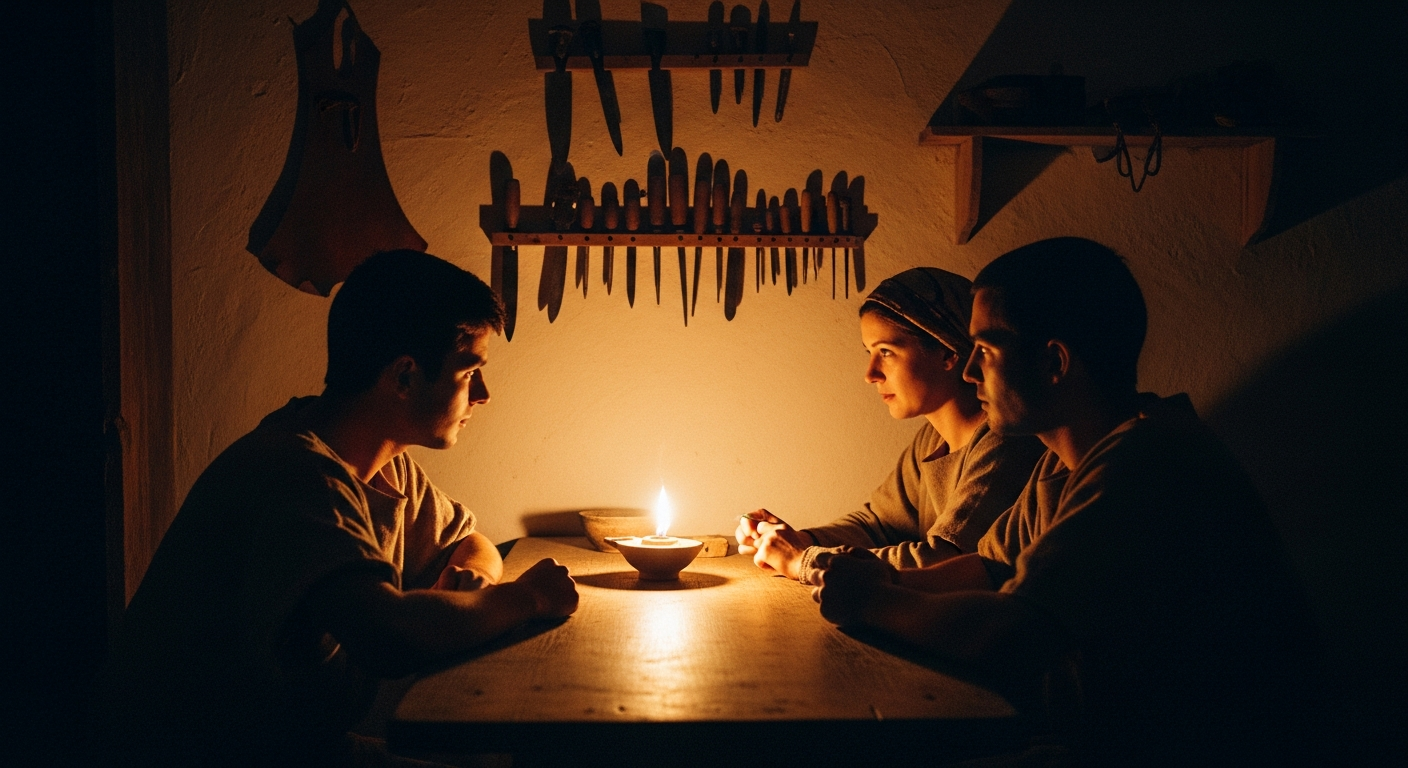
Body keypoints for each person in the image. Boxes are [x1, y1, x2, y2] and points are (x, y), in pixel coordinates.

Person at [811, 238, 1323, 766]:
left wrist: (875, 602)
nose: (968, 373)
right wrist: (887, 580)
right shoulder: (1061, 464)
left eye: (985, 351)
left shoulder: (1151, 459)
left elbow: (1015, 634)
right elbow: (987, 569)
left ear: (1054, 362)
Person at [97, 250, 579, 766]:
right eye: (469, 371)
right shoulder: (297, 473)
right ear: (404, 377)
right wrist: (526, 599)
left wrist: (471, 576)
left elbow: (468, 540)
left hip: (293, 748)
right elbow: (388, 637)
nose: (483, 393)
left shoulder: (380, 463)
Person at [735, 268, 1045, 583]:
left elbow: (946, 560)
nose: (871, 373)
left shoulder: (1007, 440)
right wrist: (800, 541)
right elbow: (877, 525)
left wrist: (805, 559)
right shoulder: (932, 438)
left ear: (948, 352)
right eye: (870, 353)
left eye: (886, 352)